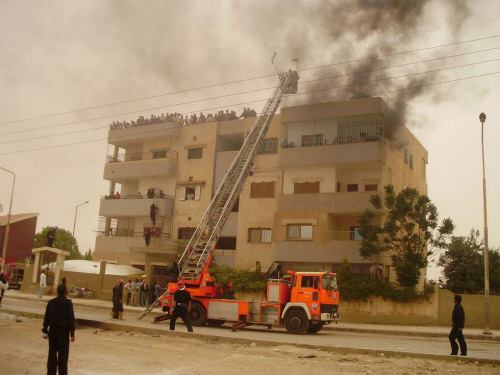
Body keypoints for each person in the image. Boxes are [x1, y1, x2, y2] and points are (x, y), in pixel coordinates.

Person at [42, 284, 75, 375]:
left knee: (52, 355)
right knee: (63, 358)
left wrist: (45, 330)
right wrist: (72, 333)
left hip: (52, 333)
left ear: (57, 291)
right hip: (63, 334)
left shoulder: (51, 302)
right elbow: (71, 319)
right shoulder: (68, 303)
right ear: (65, 292)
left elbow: (46, 318)